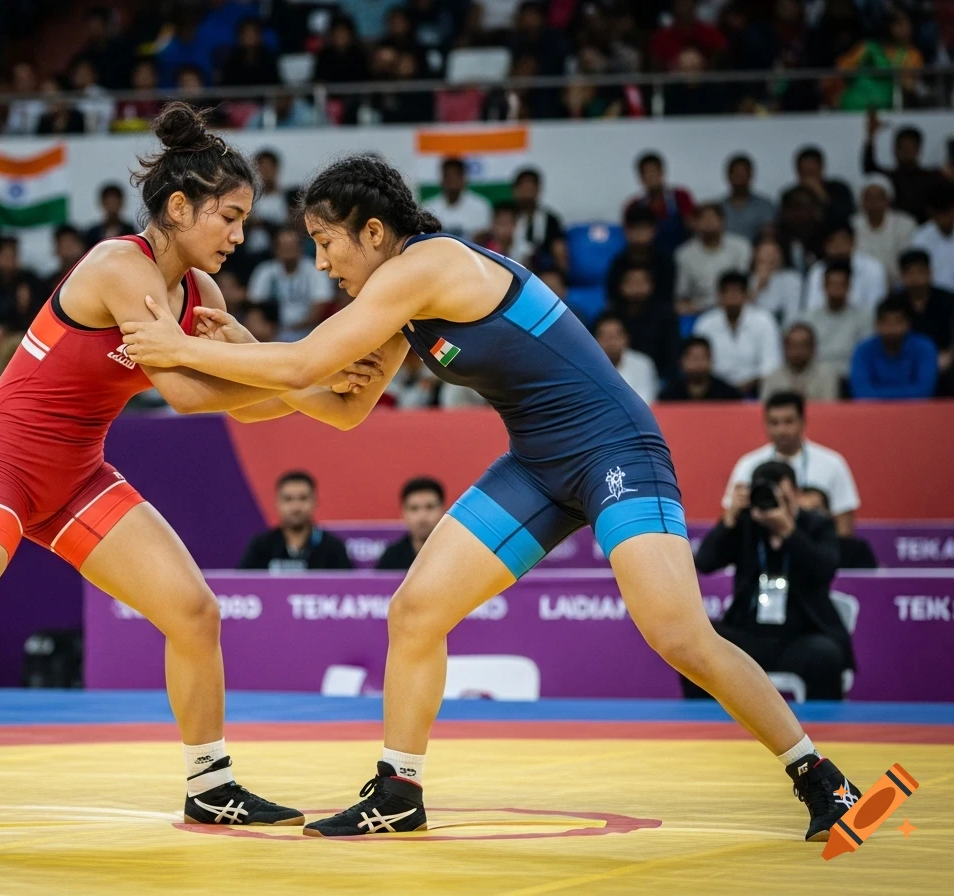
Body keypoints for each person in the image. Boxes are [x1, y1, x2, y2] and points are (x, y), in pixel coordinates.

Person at [119, 153, 861, 841]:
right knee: (415, 611)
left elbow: (309, 359)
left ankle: (822, 780)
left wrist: (181, 348)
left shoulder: (426, 267)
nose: (319, 262)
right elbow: (341, 405)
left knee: (678, 635)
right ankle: (398, 791)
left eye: (325, 241)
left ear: (373, 231)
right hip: (537, 465)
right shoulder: (398, 302)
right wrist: (247, 352)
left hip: (614, 450)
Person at [0, 104, 390, 843]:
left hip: (76, 473)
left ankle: (209, 784)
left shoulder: (201, 298)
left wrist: (314, 389)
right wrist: (310, 377)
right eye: (230, 217)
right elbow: (187, 394)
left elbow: (237, 405)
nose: (240, 237)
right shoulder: (121, 267)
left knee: (193, 611)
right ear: (178, 208)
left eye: (245, 221)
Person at [690, 461, 853, 702]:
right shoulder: (746, 524)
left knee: (826, 655)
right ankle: (705, 728)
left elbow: (825, 570)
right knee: (697, 645)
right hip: (749, 635)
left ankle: (824, 734)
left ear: (796, 494)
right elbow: (705, 562)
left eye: (782, 497)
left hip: (800, 636)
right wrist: (730, 518)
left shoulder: (817, 525)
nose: (775, 504)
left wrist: (788, 530)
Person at [723, 391, 860, 536]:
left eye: (788, 421)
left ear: (803, 422)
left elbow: (844, 528)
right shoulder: (748, 464)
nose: (781, 430)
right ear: (765, 424)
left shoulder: (832, 464)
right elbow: (728, 519)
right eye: (774, 423)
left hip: (817, 549)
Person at [238, 471, 353, 571]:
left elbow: (348, 589)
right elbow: (242, 588)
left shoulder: (333, 547)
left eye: (303, 498)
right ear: (277, 503)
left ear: (315, 501)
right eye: (288, 499)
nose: (296, 506)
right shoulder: (261, 546)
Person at [691, 270, 781, 394]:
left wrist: (747, 384)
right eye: (727, 292)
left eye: (736, 292)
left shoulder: (764, 320)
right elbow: (701, 361)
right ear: (719, 295)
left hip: (756, 387)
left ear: (746, 295)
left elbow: (770, 365)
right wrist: (726, 388)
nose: (732, 297)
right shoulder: (705, 323)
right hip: (716, 388)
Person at [793, 260, 875, 379]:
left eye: (841, 284)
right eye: (832, 284)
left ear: (849, 286)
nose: (836, 289)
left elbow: (865, 355)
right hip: (817, 376)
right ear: (824, 286)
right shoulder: (808, 318)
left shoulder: (864, 317)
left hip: (851, 376)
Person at [849, 297, 938, 400]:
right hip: (874, 412)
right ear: (877, 324)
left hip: (915, 411)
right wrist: (905, 394)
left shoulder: (925, 348)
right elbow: (861, 393)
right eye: (886, 323)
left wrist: (879, 394)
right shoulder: (863, 350)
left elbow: (924, 392)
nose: (892, 328)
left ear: (908, 324)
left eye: (898, 322)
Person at [674, 203, 753, 315]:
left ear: (722, 220)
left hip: (736, 306)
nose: (708, 222)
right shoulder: (683, 254)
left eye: (712, 218)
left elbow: (744, 284)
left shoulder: (741, 246)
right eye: (703, 218)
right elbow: (682, 294)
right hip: (699, 310)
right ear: (694, 223)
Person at [802, 221, 888, 313]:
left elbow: (875, 308)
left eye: (843, 241)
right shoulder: (817, 271)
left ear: (853, 242)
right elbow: (812, 308)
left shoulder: (873, 269)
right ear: (825, 246)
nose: (839, 247)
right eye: (833, 241)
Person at [851, 175, 916, 286]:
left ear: (889, 199)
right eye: (869, 197)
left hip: (898, 283)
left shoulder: (905, 224)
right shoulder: (853, 225)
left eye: (879, 197)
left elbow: (907, 259)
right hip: (862, 284)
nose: (873, 202)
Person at [895, 248, 954, 370]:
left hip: (943, 359)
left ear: (930, 272)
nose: (916, 278)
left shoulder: (948, 300)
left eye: (920, 272)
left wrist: (950, 355)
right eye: (910, 273)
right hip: (903, 360)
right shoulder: (894, 303)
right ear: (902, 276)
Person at [376, 477, 446, 571]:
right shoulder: (391, 557)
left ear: (443, 511)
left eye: (430, 507)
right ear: (403, 514)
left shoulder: (457, 554)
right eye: (414, 508)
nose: (422, 517)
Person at [798, 487, 877, 569]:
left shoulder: (856, 551)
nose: (808, 517)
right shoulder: (788, 553)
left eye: (815, 511)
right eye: (803, 512)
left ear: (829, 514)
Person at [761, 324, 840, 403]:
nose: (797, 351)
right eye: (792, 346)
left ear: (813, 348)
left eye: (803, 345)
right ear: (784, 348)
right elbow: (766, 409)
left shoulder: (827, 376)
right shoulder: (772, 377)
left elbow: (830, 409)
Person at [593, 312, 658, 405]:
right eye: (605, 337)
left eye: (615, 336)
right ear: (595, 340)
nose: (610, 343)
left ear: (626, 338)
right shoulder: (587, 366)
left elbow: (647, 399)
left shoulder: (643, 364)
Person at [421, 158, 492, 239]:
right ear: (442, 179)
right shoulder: (429, 207)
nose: (452, 181)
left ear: (463, 178)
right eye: (448, 176)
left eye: (456, 176)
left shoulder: (480, 206)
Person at [657, 336, 743, 401]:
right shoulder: (669, 396)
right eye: (694, 358)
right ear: (681, 361)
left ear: (711, 360)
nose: (698, 363)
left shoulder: (729, 395)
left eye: (703, 357)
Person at [716, 153, 776, 244]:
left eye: (743, 174)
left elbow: (768, 237)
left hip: (756, 254)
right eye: (736, 174)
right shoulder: (718, 207)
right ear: (728, 176)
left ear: (751, 175)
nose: (740, 178)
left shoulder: (764, 205)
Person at [909, 182, 954, 293]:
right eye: (940, 214)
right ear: (931, 213)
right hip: (936, 296)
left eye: (947, 213)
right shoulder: (921, 238)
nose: (945, 219)